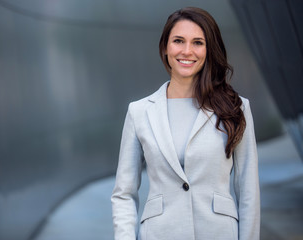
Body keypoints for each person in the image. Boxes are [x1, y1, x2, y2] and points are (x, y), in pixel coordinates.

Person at [111, 7, 260, 240]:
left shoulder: (236, 108)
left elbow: (248, 191)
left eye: (198, 42)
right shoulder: (139, 112)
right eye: (178, 41)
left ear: (209, 49)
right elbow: (124, 194)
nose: (187, 51)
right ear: (165, 47)